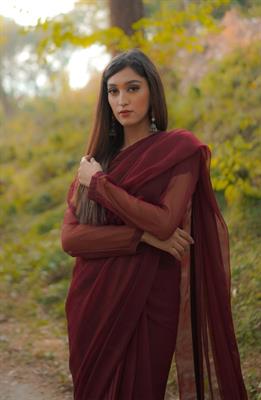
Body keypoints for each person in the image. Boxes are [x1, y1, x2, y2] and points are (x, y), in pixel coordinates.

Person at [61, 49, 248, 400]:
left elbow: (165, 222)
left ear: (152, 91)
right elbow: (72, 239)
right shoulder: (95, 162)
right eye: (113, 91)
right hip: (92, 302)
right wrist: (142, 236)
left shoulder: (179, 150)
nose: (122, 100)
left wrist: (101, 186)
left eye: (133, 88)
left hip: (150, 299)